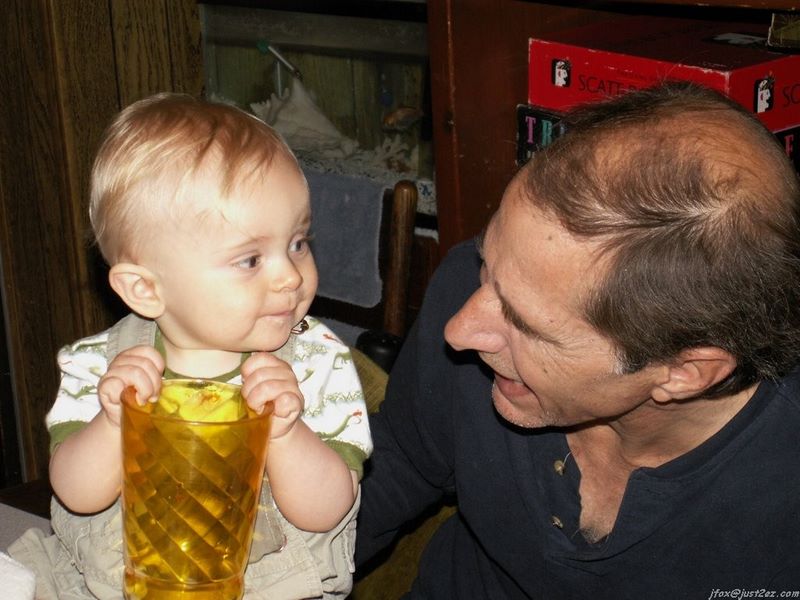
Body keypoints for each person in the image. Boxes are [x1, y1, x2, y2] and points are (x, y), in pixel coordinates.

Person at [355, 81, 800, 597]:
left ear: (684, 373)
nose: (459, 330)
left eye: (528, 326)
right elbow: (404, 460)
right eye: (486, 263)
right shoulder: (475, 289)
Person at [10, 93, 372, 599]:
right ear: (145, 289)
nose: (290, 276)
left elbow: (328, 511)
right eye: (250, 260)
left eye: (297, 243)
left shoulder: (316, 363)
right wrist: (113, 422)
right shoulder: (101, 365)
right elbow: (76, 496)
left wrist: (288, 434)